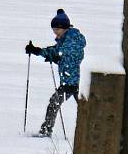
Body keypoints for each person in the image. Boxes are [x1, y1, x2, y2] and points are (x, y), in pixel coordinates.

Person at [25, 8, 86, 137]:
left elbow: (69, 53)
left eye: (57, 30)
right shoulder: (64, 40)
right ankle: (46, 130)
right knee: (56, 103)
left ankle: (47, 130)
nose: (55, 33)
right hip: (68, 81)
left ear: (64, 28)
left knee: (58, 104)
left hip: (74, 82)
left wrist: (58, 56)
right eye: (54, 31)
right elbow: (56, 51)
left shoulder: (73, 40)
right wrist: (37, 51)